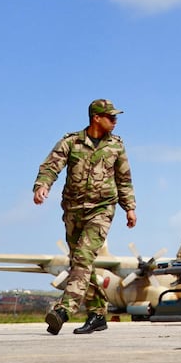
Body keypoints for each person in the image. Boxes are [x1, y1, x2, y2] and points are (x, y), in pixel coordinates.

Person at [33, 99, 137, 335]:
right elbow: (51, 166)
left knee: (82, 256)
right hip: (73, 210)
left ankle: (62, 311)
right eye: (110, 117)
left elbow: (124, 179)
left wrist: (129, 208)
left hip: (102, 210)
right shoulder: (72, 142)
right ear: (96, 118)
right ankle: (98, 315)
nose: (115, 120)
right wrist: (42, 186)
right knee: (82, 264)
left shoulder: (117, 146)